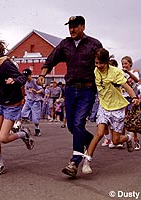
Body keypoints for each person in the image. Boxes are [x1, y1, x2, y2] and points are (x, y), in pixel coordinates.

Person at [36, 16, 103, 178]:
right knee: (72, 127)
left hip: (87, 90)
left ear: (83, 27)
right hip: (71, 90)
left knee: (79, 123)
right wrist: (42, 75)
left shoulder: (94, 44)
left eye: (75, 26)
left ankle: (74, 162)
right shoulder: (65, 44)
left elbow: (104, 64)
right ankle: (90, 140)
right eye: (70, 27)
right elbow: (51, 60)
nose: (71, 29)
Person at [81, 48, 138, 174]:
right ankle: (87, 161)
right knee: (99, 133)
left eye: (101, 63)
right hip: (104, 106)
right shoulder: (95, 71)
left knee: (116, 140)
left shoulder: (116, 72)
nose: (98, 66)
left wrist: (134, 97)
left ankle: (128, 138)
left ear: (107, 62)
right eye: (96, 63)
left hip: (117, 108)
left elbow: (127, 86)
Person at [0, 37, 34, 176]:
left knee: (3, 138)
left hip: (12, 105)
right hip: (0, 103)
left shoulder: (4, 63)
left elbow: (22, 78)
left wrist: (14, 80)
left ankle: (24, 133)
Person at [21, 68, 44, 136]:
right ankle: (19, 127)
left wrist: (36, 91)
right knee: (22, 113)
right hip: (28, 100)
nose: (26, 77)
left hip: (35, 101)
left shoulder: (35, 81)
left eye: (27, 76)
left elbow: (42, 90)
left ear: (30, 75)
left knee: (35, 118)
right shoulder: (25, 82)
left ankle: (37, 129)